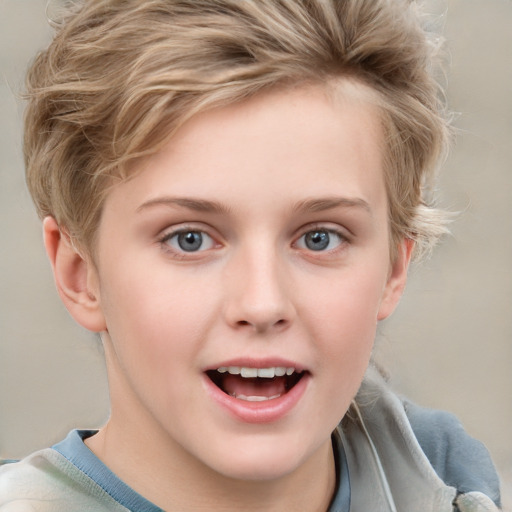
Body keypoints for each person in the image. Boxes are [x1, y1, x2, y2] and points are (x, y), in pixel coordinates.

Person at [0, 0, 502, 510]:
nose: (262, 304)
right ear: (80, 274)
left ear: (394, 268)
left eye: (319, 238)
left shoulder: (453, 487)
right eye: (188, 239)